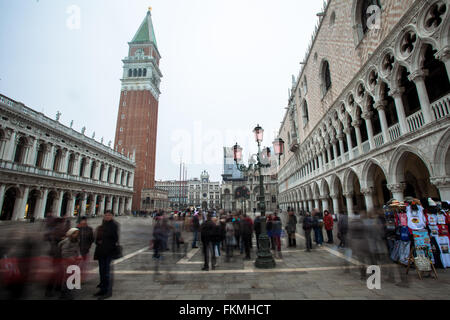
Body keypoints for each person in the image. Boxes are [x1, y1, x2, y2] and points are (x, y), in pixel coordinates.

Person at [93, 211, 119, 299]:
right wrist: (98, 241)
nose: (107, 216)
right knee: (102, 271)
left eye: (109, 215)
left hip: (108, 252)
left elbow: (115, 238)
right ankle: (102, 289)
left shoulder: (114, 225)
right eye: (106, 215)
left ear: (112, 216)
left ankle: (107, 291)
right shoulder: (102, 225)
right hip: (100, 251)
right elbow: (96, 238)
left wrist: (105, 240)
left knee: (107, 272)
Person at [58, 228, 82, 300]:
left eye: (77, 233)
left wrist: (79, 255)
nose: (76, 235)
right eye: (75, 233)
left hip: (74, 261)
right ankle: (65, 293)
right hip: (67, 262)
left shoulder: (76, 240)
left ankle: (67, 293)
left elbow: (77, 249)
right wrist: (70, 258)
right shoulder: (67, 242)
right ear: (71, 234)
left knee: (72, 277)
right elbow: (64, 252)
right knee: (67, 278)